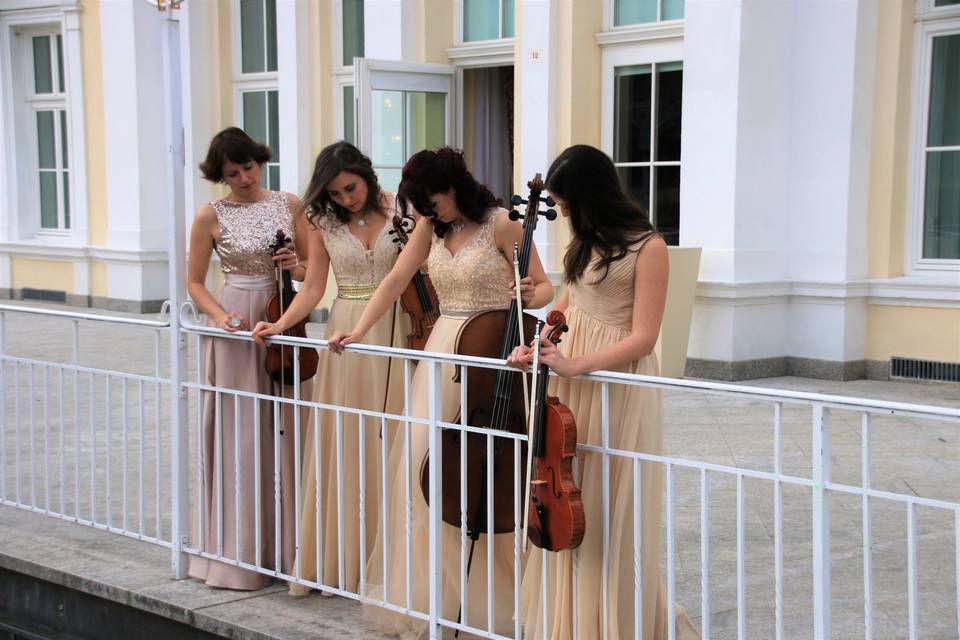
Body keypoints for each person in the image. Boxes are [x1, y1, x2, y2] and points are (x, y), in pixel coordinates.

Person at [326, 147, 554, 635]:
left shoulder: (503, 223)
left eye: (435, 202)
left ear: (455, 185)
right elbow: (395, 280)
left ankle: (494, 598)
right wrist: (359, 329)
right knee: (426, 469)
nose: (432, 212)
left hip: (491, 352)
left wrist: (531, 294)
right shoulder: (432, 227)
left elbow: (544, 287)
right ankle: (439, 593)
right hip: (441, 354)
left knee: (485, 472)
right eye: (424, 206)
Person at [507, 145, 699, 638]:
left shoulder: (648, 246)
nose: (563, 213)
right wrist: (538, 344)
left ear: (591, 194)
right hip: (576, 377)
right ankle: (572, 620)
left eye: (566, 203)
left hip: (615, 381)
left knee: (610, 506)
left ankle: (613, 622)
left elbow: (644, 338)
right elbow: (568, 305)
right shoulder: (584, 242)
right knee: (573, 499)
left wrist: (575, 364)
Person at [252, 141, 408, 596]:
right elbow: (314, 286)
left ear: (367, 174)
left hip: (395, 330)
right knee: (347, 440)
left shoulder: (401, 209)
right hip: (344, 336)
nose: (345, 199)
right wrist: (281, 322)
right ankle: (343, 560)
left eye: (350, 188)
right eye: (336, 193)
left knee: (396, 438)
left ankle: (393, 559)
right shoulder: (321, 220)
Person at [187, 127, 310, 590]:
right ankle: (240, 555)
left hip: (282, 314)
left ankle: (291, 550)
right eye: (231, 173)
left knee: (288, 427)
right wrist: (221, 317)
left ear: (261, 161)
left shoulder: (289, 203)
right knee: (241, 433)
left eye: (248, 167)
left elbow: (309, 269)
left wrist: (290, 265)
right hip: (236, 324)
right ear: (220, 175)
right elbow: (195, 282)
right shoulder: (209, 215)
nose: (242, 178)